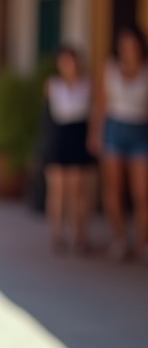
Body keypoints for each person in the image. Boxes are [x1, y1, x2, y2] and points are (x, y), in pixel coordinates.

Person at [89, 25, 148, 263]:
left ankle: (143, 243)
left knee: (141, 193)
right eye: (124, 45)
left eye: (132, 45)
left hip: (140, 130)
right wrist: (95, 133)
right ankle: (120, 239)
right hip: (114, 128)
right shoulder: (110, 69)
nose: (128, 50)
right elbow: (101, 104)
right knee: (114, 190)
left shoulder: (146, 71)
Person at [42, 46, 96, 256]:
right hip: (58, 137)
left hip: (78, 137)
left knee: (77, 191)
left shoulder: (87, 85)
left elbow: (93, 113)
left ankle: (78, 234)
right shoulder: (52, 85)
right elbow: (46, 116)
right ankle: (57, 233)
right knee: (58, 190)